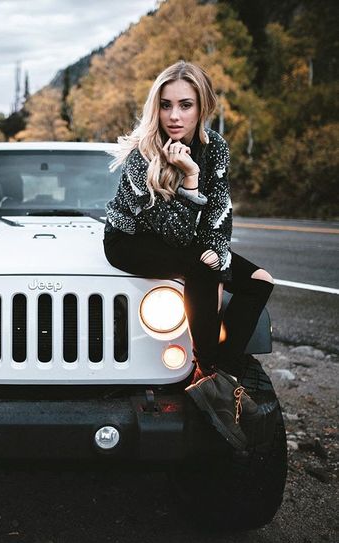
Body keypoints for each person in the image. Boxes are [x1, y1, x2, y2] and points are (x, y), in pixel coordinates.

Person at [103, 61, 274, 451]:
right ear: (156, 108)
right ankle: (206, 366)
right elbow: (177, 234)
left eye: (185, 105)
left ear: (202, 107)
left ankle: (220, 375)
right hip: (130, 240)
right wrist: (191, 179)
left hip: (188, 238)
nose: (174, 116)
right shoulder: (143, 154)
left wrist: (218, 248)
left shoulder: (215, 147)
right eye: (165, 105)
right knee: (200, 265)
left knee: (259, 281)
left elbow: (220, 211)